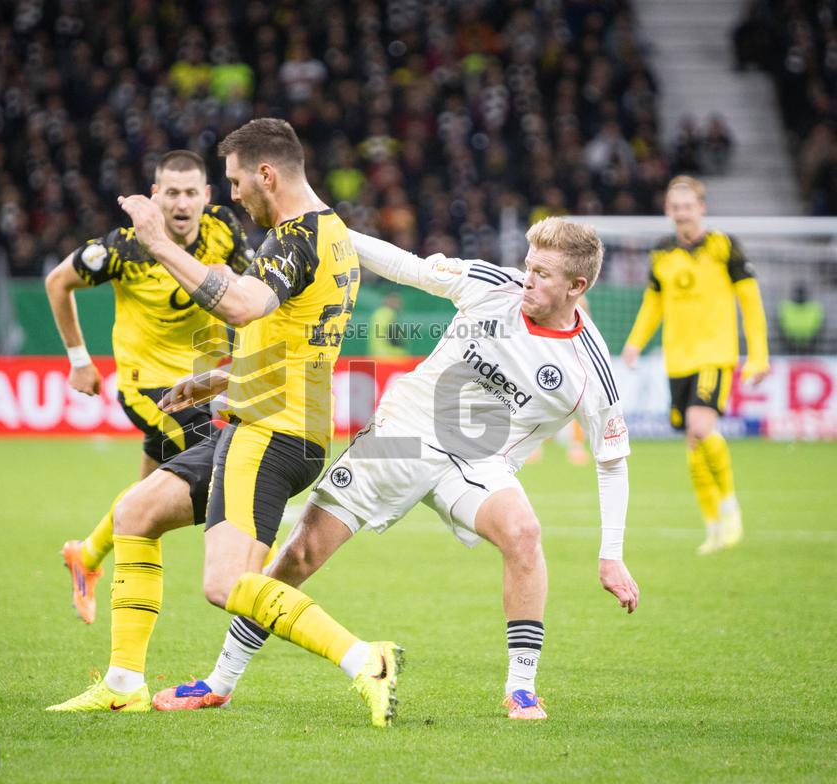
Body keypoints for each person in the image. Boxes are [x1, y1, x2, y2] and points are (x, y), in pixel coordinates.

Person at [155, 216, 638, 721]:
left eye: (541, 273)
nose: (526, 278)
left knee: (523, 533)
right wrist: (329, 234)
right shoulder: (496, 286)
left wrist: (611, 555)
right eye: (528, 264)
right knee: (299, 554)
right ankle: (220, 681)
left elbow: (612, 460)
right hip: (403, 434)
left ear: (577, 287)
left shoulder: (589, 370)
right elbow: (406, 267)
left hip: (477, 461)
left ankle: (521, 688)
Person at [47, 118, 403, 728]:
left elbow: (241, 305)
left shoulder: (295, 240)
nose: (232, 195)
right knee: (136, 512)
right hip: (263, 417)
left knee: (225, 584)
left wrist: (157, 240)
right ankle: (123, 683)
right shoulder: (332, 232)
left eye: (236, 182)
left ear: (267, 174)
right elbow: (292, 335)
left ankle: (364, 659)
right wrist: (214, 380)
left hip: (273, 432)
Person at [45, 150, 253, 624]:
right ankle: (249, 578)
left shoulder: (224, 228)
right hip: (151, 389)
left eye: (190, 193)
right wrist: (79, 361)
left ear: (206, 196)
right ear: (155, 197)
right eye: (171, 193)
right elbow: (57, 282)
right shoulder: (124, 247)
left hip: (200, 381)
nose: (181, 203)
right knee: (226, 461)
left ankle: (88, 554)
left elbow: (246, 290)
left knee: (144, 496)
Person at [621, 175, 770, 555]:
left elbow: (750, 303)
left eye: (688, 205)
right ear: (668, 210)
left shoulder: (724, 246)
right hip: (677, 358)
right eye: (675, 205)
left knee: (700, 427)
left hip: (714, 354)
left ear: (701, 208)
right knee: (692, 440)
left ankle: (730, 505)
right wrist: (635, 342)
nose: (681, 212)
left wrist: (758, 356)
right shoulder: (662, 252)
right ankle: (714, 525)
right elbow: (653, 302)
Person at [777, 282, 824, 354]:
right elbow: (780, 327)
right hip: (789, 345)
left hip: (811, 346)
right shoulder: (786, 307)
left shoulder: (814, 307)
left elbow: (820, 328)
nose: (800, 296)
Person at [367, 291, 410, 356]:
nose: (398, 305)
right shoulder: (390, 314)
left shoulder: (377, 313)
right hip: (389, 356)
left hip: (375, 354)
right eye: (397, 302)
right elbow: (395, 337)